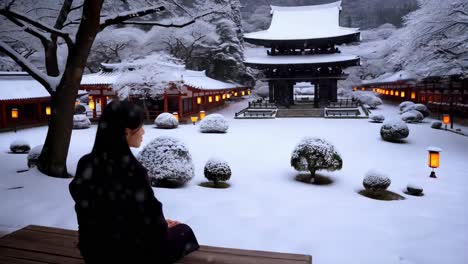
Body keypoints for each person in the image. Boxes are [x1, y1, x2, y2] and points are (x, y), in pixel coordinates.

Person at [69, 100, 199, 264]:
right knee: (184, 232)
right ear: (126, 132)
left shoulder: (86, 164)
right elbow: (152, 225)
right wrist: (164, 226)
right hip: (130, 255)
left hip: (94, 252)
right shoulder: (132, 171)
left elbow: (96, 216)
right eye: (140, 127)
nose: (143, 132)